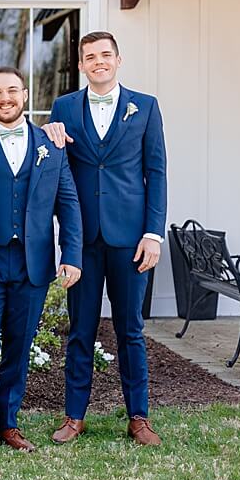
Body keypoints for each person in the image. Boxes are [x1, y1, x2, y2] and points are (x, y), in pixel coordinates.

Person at [0, 66, 82, 454]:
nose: (4, 98)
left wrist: (71, 254)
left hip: (32, 262)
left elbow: (68, 203)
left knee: (19, 345)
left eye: (11, 91)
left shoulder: (51, 144)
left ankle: (9, 423)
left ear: (25, 96)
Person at [42, 31, 167, 446]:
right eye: (90, 56)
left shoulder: (145, 107)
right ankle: (74, 416)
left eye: (105, 55)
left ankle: (139, 416)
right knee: (80, 328)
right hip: (82, 239)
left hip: (131, 238)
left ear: (118, 59)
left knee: (131, 328)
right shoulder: (63, 108)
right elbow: (52, 160)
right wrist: (48, 132)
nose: (99, 61)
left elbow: (157, 172)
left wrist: (153, 234)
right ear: (81, 64)